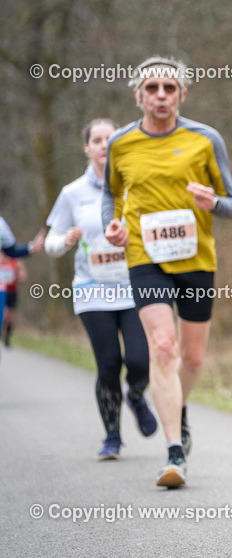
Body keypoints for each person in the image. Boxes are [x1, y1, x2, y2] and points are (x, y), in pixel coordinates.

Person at [103, 57, 232, 488]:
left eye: (168, 87)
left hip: (196, 259)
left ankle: (176, 407)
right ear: (138, 95)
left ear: (182, 94)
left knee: (193, 357)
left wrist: (212, 203)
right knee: (163, 348)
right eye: (152, 88)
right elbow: (111, 198)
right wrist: (113, 227)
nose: (160, 95)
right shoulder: (121, 143)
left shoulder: (205, 139)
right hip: (145, 257)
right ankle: (174, 453)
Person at [45, 118, 158, 459]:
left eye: (110, 138)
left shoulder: (135, 184)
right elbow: (50, 242)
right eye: (97, 139)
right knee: (108, 364)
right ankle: (112, 436)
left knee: (140, 360)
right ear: (87, 148)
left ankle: (136, 396)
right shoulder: (71, 193)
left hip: (134, 285)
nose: (104, 145)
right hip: (93, 292)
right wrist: (64, 240)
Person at [0, 218, 43, 367]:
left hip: (4, 290)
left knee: (8, 316)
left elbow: (11, 251)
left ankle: (7, 337)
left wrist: (32, 247)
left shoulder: (1, 225)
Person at [0, 257, 25, 346]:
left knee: (10, 316)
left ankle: (7, 337)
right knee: (4, 313)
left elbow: (23, 277)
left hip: (12, 292)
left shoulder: (15, 261)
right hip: (2, 291)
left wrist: (19, 271)